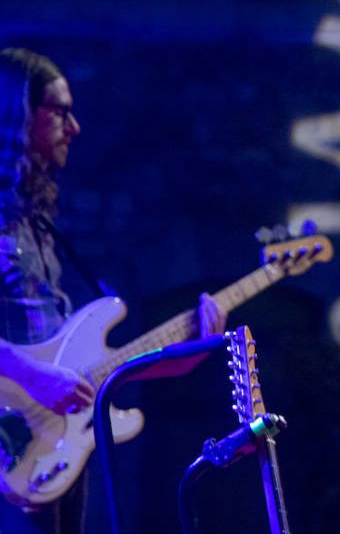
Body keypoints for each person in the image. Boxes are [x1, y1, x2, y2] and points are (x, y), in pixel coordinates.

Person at [0, 48, 226, 534]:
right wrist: (33, 377)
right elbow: (39, 371)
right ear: (16, 116)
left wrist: (182, 355)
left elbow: (76, 362)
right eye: (59, 112)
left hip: (56, 446)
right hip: (10, 440)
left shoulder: (34, 220)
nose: (75, 128)